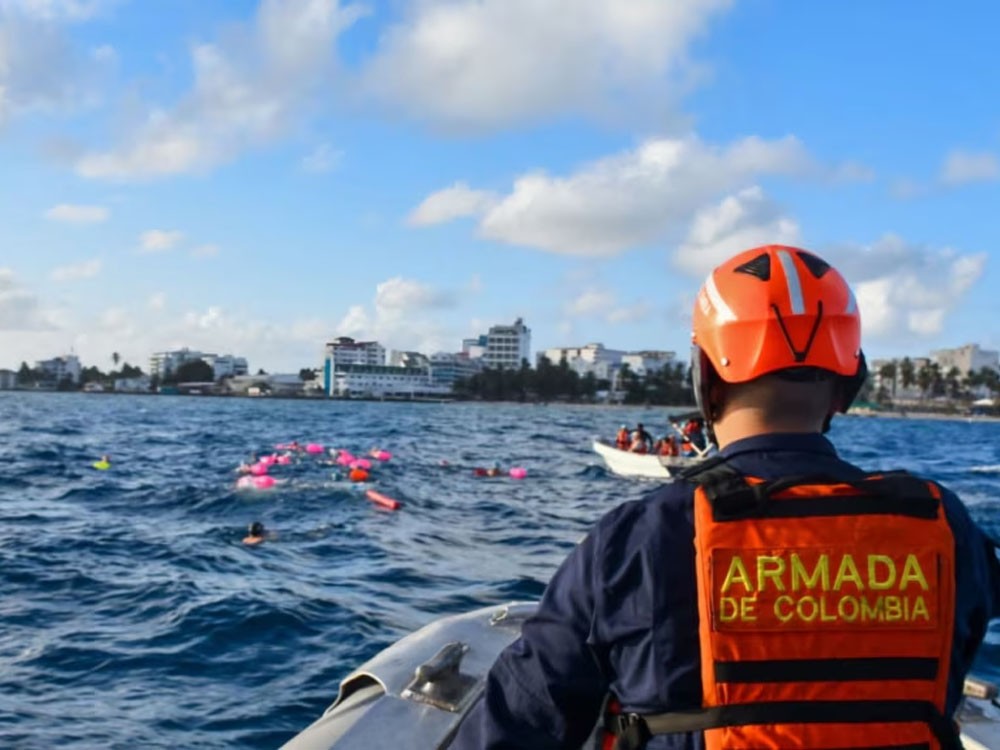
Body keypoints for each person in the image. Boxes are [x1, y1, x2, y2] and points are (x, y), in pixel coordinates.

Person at [450, 244, 1000, 749]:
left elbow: (517, 723)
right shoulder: (944, 526)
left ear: (705, 375)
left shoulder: (637, 537)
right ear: (848, 382)